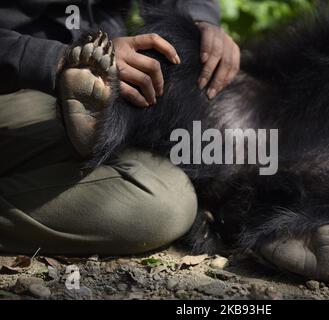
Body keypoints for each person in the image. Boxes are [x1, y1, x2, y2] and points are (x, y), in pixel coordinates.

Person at [0, 0, 240, 255]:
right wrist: (58, 61)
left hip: (97, 84)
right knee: (161, 203)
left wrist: (200, 23)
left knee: (171, 189)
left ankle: (99, 123)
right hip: (17, 86)